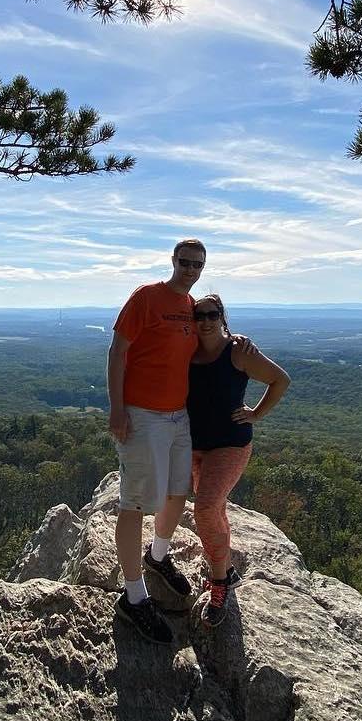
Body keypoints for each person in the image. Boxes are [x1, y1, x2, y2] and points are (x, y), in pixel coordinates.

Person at [105, 238, 207, 643]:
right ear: (173, 261)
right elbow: (117, 352)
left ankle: (158, 556)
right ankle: (133, 596)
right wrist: (117, 410)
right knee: (134, 504)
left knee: (178, 492)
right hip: (143, 416)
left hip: (179, 416)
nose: (190, 269)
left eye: (197, 264)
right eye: (185, 262)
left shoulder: (190, 305)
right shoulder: (147, 297)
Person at [186, 292, 291, 626]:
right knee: (212, 508)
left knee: (203, 509)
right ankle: (226, 569)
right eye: (198, 315)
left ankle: (219, 584)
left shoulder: (238, 351)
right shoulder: (186, 350)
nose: (204, 321)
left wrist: (256, 414)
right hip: (193, 445)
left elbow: (280, 379)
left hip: (229, 444)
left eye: (211, 314)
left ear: (222, 316)